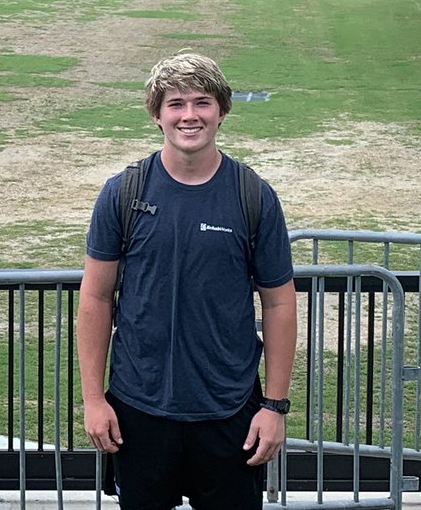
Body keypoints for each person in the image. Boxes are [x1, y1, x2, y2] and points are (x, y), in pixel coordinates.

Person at [77, 53, 297, 510]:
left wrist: (274, 408)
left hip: (230, 411)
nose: (190, 115)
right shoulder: (123, 193)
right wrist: (94, 400)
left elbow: (279, 305)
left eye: (203, 102)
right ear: (156, 115)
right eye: (176, 104)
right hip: (138, 411)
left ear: (222, 111)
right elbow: (96, 299)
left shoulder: (253, 196)